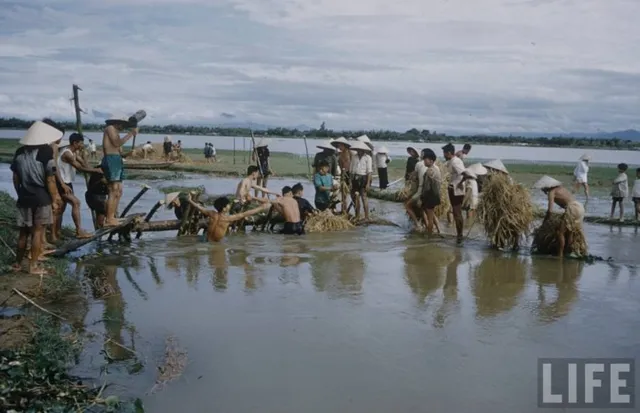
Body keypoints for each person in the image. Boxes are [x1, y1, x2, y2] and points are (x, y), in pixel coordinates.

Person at [10, 121, 64, 275]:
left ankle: (17, 264)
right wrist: (54, 199)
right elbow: (50, 179)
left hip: (24, 197)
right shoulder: (46, 152)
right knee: (38, 232)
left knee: (23, 233)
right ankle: (33, 266)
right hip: (41, 197)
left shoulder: (20, 152)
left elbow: (15, 177)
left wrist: (19, 192)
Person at [55, 133, 101, 239]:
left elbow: (84, 165)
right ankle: (78, 231)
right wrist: (96, 170)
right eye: (81, 143)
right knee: (76, 203)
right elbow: (80, 168)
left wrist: (84, 156)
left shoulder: (74, 152)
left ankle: (57, 232)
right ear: (75, 143)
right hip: (62, 183)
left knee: (61, 209)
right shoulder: (67, 153)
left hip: (67, 182)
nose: (82, 145)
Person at [534, 175, 585, 257]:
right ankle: (568, 252)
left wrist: (544, 223)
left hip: (572, 208)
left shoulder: (551, 192)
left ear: (546, 187)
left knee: (560, 232)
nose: (542, 190)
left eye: (542, 188)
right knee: (570, 232)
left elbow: (550, 211)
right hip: (580, 207)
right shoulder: (561, 188)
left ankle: (560, 255)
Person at [185, 194, 271, 242]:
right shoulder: (227, 219)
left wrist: (190, 200)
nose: (229, 206)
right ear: (224, 208)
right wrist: (261, 208)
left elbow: (199, 207)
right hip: (217, 243)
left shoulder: (211, 213)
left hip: (206, 240)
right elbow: (244, 214)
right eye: (228, 204)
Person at [102, 115, 138, 227]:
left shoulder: (116, 132)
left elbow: (120, 151)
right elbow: (117, 143)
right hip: (111, 159)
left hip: (117, 160)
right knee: (113, 189)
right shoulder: (110, 128)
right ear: (118, 123)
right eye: (123, 125)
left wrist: (129, 153)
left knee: (119, 190)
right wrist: (131, 134)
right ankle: (108, 219)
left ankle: (112, 217)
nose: (123, 127)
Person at [443, 143, 466, 243]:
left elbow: (464, 174)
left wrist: (459, 183)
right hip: (454, 188)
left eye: (444, 153)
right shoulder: (452, 161)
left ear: (448, 153)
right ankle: (459, 234)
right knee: (457, 212)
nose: (443, 155)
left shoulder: (455, 161)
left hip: (456, 190)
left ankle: (460, 235)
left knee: (457, 213)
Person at [349, 140, 373, 221]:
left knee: (364, 197)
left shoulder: (368, 158)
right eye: (358, 149)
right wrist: (350, 182)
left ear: (363, 150)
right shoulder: (354, 157)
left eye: (360, 149)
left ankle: (367, 217)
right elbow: (351, 171)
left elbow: (369, 172)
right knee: (355, 197)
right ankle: (357, 215)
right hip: (355, 178)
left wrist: (368, 184)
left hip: (363, 178)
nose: (359, 150)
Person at [404, 150, 428, 228]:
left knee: (408, 206)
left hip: (420, 191)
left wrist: (410, 178)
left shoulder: (419, 163)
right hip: (427, 191)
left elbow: (413, 177)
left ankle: (417, 224)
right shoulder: (432, 166)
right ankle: (431, 227)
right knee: (424, 210)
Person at [331, 137, 352, 213]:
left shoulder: (349, 153)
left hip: (349, 174)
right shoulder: (339, 155)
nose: (339, 147)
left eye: (340, 145)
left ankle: (347, 210)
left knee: (348, 193)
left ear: (344, 145)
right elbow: (340, 165)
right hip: (343, 174)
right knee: (343, 194)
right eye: (338, 146)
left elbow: (350, 165)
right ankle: (343, 210)